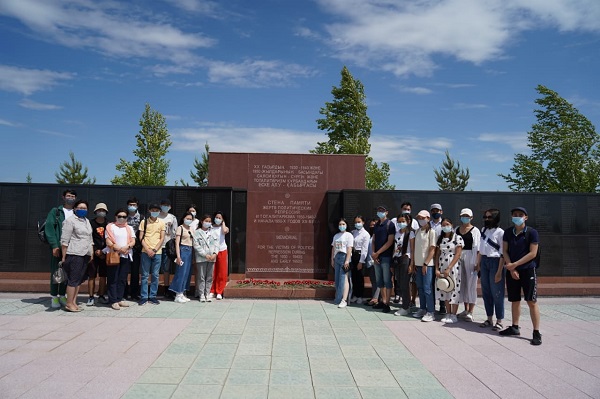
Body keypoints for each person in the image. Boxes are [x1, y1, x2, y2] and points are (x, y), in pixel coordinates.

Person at [501, 207, 542, 346]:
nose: (517, 217)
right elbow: (505, 251)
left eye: (520, 215)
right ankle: (514, 327)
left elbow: (532, 253)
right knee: (514, 300)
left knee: (531, 301)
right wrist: (511, 267)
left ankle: (536, 332)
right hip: (512, 270)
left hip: (527, 270)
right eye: (514, 215)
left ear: (526, 217)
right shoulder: (507, 232)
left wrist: (515, 265)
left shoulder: (532, 232)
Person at [45, 189, 76, 308]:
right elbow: (49, 228)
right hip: (58, 246)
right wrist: (54, 245)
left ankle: (62, 294)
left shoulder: (76, 212)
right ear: (63, 197)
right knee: (56, 272)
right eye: (68, 196)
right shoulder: (56, 211)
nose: (71, 198)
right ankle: (54, 297)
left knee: (67, 272)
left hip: (72, 248)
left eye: (73, 196)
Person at [60, 199, 93, 312]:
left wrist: (91, 252)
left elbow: (90, 238)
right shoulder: (70, 221)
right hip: (74, 253)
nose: (82, 210)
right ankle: (69, 303)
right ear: (75, 209)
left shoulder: (86, 221)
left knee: (79, 280)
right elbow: (64, 240)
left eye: (84, 208)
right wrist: (64, 257)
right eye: (80, 208)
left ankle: (74, 301)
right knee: (73, 280)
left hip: (85, 253)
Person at [478, 209, 505, 331]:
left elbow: (503, 253)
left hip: (495, 262)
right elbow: (480, 249)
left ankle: (499, 320)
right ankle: (489, 318)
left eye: (490, 217)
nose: (487, 219)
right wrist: (478, 264)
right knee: (486, 292)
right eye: (485, 217)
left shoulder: (500, 232)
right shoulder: (483, 230)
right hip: (484, 261)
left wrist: (499, 271)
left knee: (497, 292)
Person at [435, 218, 464, 324]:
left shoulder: (457, 237)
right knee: (445, 288)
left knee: (454, 288)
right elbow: (437, 254)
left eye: (447, 224)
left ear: (451, 225)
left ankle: (454, 314)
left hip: (453, 266)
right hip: (442, 264)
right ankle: (448, 312)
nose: (445, 226)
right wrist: (437, 269)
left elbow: (458, 254)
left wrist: (449, 267)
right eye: (443, 225)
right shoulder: (440, 238)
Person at [104, 209, 135, 310]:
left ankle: (119, 298)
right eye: (119, 216)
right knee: (113, 278)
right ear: (115, 217)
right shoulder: (110, 227)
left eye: (124, 217)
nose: (122, 218)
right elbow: (108, 241)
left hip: (125, 255)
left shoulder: (129, 228)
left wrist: (126, 247)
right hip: (114, 255)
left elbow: (133, 241)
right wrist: (119, 249)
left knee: (122, 278)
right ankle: (113, 300)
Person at [456, 208, 480, 322]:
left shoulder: (475, 231)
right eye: (463, 215)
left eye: (467, 216)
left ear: (471, 217)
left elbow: (478, 248)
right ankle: (465, 309)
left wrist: (477, 262)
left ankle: (471, 311)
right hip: (459, 257)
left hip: (471, 256)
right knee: (463, 283)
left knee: (471, 284)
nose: (464, 217)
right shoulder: (456, 229)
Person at [139, 203, 166, 306]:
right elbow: (141, 237)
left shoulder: (162, 222)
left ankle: (153, 296)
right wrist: (147, 249)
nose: (155, 212)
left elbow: (162, 238)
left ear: (159, 211)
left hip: (157, 252)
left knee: (155, 275)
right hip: (145, 251)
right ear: (149, 210)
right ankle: (144, 296)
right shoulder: (144, 222)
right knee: (145, 275)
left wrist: (154, 250)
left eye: (157, 210)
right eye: (153, 210)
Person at [413, 210, 436, 322]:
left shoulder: (431, 232)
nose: (421, 220)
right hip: (418, 264)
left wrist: (426, 263)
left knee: (427, 288)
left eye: (423, 218)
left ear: (428, 218)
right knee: (420, 288)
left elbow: (432, 249)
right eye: (419, 218)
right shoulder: (417, 231)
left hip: (427, 265)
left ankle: (431, 311)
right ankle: (422, 308)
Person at [371, 205, 395, 313]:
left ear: (387, 212)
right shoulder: (376, 225)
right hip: (377, 257)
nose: (380, 212)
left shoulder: (390, 224)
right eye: (378, 210)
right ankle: (382, 300)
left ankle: (387, 303)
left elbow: (390, 242)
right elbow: (373, 240)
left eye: (382, 211)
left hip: (386, 256)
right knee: (379, 281)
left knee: (387, 281)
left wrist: (378, 253)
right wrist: (373, 253)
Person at [193, 214, 220, 302]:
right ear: (202, 222)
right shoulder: (197, 232)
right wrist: (205, 255)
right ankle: (201, 294)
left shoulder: (213, 232)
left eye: (209, 221)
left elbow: (217, 244)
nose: (208, 223)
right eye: (206, 221)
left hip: (212, 258)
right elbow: (196, 245)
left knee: (209, 276)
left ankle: (207, 293)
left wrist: (215, 254)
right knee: (201, 276)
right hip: (202, 258)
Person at [170, 212, 195, 303]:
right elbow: (177, 243)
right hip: (183, 250)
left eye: (190, 219)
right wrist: (178, 256)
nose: (188, 220)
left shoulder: (192, 229)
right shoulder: (180, 228)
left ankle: (182, 292)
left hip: (190, 250)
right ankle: (177, 294)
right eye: (187, 218)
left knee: (187, 273)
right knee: (181, 272)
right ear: (183, 218)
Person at [393, 214, 415, 316]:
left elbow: (413, 249)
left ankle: (405, 306)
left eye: (403, 221)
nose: (401, 223)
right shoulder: (397, 233)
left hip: (406, 259)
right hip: (397, 259)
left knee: (405, 283)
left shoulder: (410, 233)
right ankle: (406, 305)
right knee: (400, 283)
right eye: (399, 221)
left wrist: (412, 264)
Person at [87, 203, 108, 306]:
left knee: (103, 276)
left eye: (103, 210)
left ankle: (101, 295)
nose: (101, 212)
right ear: (95, 211)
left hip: (105, 254)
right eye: (99, 210)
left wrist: (103, 251)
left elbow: (110, 239)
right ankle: (91, 296)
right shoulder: (90, 223)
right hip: (93, 253)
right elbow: (88, 238)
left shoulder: (109, 224)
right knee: (92, 276)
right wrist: (95, 250)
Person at [331, 218, 354, 308]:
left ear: (346, 225)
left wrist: (347, 260)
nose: (341, 226)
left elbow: (349, 248)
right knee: (337, 279)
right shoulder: (336, 235)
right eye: (340, 224)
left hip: (345, 257)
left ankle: (344, 299)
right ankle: (338, 297)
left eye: (343, 224)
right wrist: (332, 259)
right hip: (337, 257)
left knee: (344, 279)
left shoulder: (349, 235)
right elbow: (333, 248)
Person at [158, 199, 178, 297]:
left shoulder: (172, 217)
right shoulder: (156, 216)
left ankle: (166, 288)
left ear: (170, 207)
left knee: (166, 268)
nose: (165, 207)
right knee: (156, 268)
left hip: (167, 245)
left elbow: (175, 232)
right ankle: (155, 288)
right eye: (163, 205)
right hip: (157, 245)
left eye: (167, 205)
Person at [430, 203, 446, 315]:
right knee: (431, 281)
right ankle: (431, 305)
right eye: (433, 210)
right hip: (430, 255)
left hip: (442, 255)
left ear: (441, 212)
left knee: (441, 280)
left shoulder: (445, 225)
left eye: (438, 210)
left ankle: (442, 305)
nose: (435, 212)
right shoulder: (428, 225)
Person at [126, 197, 143, 300]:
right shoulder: (123, 216)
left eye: (134, 205)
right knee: (123, 271)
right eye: (130, 205)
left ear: (137, 206)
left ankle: (134, 293)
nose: (132, 207)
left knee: (135, 271)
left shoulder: (142, 218)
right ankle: (123, 292)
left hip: (136, 248)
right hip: (125, 247)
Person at [349, 215, 370, 304]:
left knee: (360, 277)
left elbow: (365, 249)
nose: (357, 224)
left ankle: (360, 296)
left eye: (359, 222)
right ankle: (355, 295)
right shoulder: (353, 232)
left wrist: (361, 261)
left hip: (360, 255)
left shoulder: (365, 234)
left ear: (363, 222)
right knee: (354, 276)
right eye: (356, 222)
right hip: (353, 255)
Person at [209, 211, 229, 300]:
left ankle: (219, 291)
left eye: (220, 218)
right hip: (212, 251)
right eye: (216, 217)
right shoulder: (210, 227)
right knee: (213, 271)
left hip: (222, 250)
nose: (217, 219)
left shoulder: (224, 227)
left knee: (221, 271)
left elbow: (225, 231)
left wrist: (223, 223)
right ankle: (212, 290)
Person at [365, 217, 380, 306]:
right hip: (370, 262)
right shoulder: (370, 236)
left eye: (374, 225)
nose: (372, 227)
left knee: (377, 281)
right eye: (370, 225)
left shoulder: (378, 235)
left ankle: (376, 298)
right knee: (373, 281)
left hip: (376, 261)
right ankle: (374, 297)